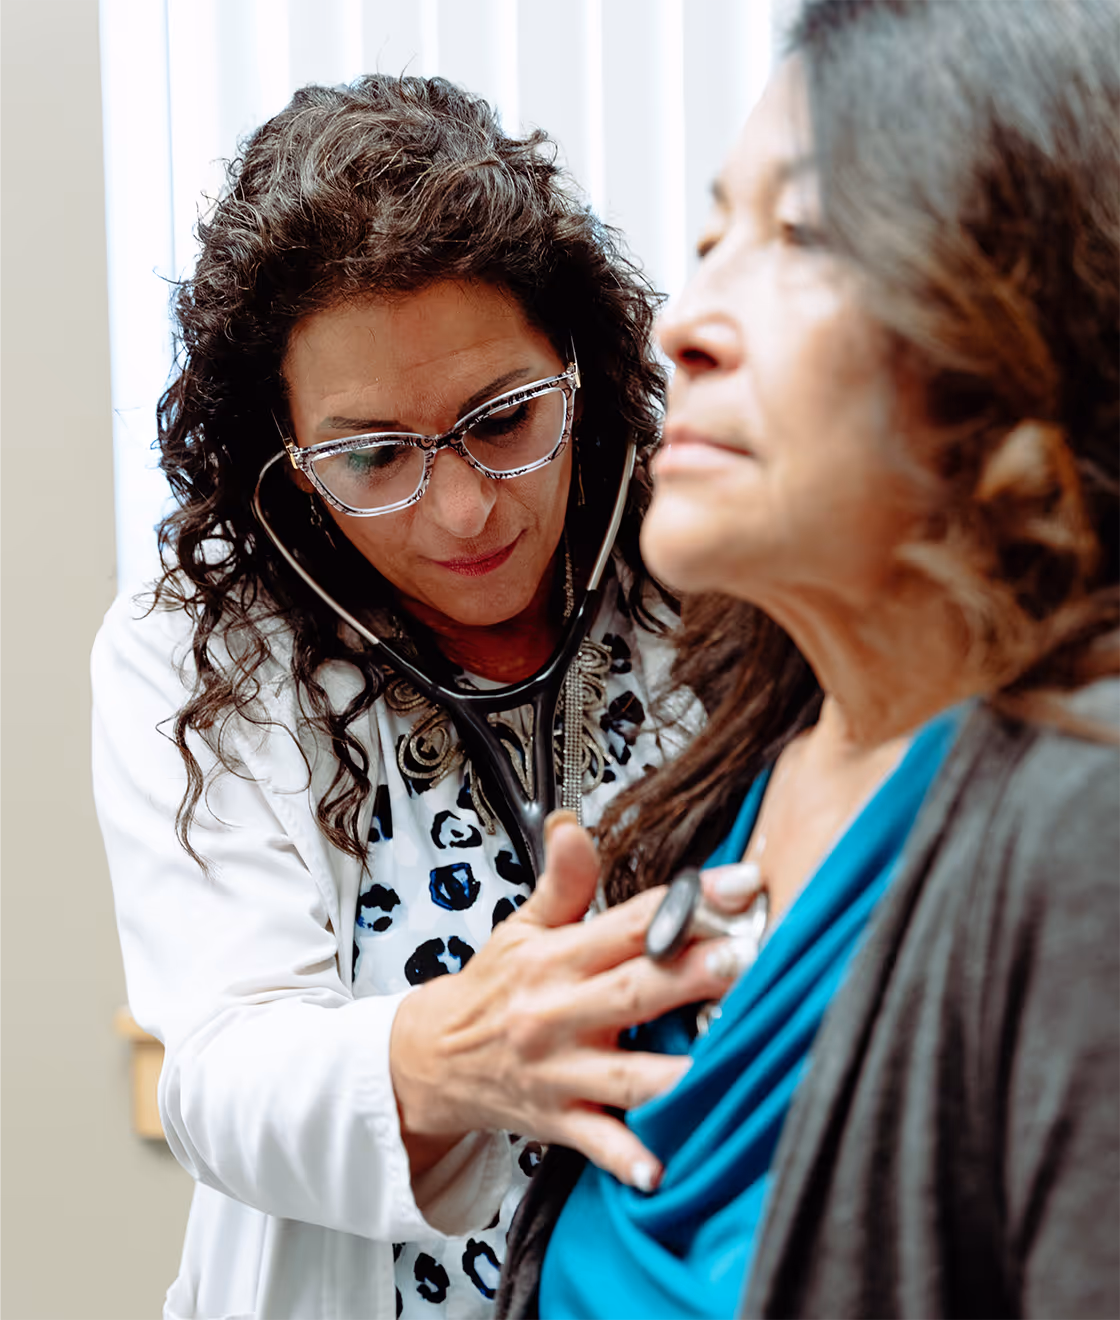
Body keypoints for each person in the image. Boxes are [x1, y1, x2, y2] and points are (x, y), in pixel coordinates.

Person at [496, 1, 1120, 1316]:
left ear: (1023, 315)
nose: (685, 325)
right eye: (711, 237)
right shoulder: (711, 789)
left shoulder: (1087, 826)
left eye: (805, 235)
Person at [92, 76, 742, 1320]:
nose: (463, 511)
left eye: (503, 420)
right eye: (374, 455)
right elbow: (220, 1075)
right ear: (282, 457)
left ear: (579, 367)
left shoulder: (714, 566)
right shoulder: (198, 649)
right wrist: (450, 1059)